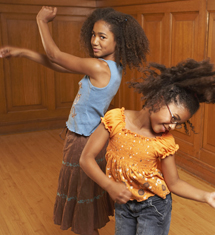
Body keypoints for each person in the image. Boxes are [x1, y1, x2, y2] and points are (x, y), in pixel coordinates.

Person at [0, 6, 149, 235]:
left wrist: (41, 20)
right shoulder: (112, 67)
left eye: (102, 36)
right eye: (93, 34)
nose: (94, 41)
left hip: (82, 141)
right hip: (91, 138)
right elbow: (59, 64)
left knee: (82, 205)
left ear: (118, 41)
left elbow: (55, 55)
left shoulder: (98, 67)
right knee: (85, 199)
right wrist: (23, 52)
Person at [79, 59, 215, 235]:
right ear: (159, 99)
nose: (173, 127)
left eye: (179, 123)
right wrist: (109, 185)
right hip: (124, 203)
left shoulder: (164, 142)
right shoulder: (115, 120)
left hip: (154, 207)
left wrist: (206, 196)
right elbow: (86, 158)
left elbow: (173, 182)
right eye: (174, 118)